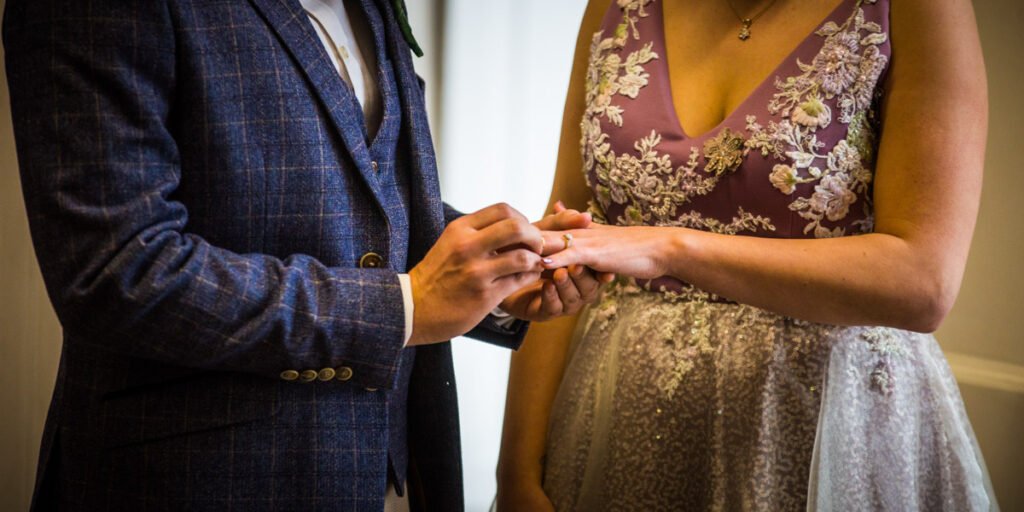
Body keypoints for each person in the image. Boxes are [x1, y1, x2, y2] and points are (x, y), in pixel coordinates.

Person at [3, 0, 604, 510]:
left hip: (388, 473)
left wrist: (501, 271)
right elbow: (121, 270)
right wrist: (405, 305)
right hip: (197, 478)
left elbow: (365, 198)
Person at [497, 0, 998, 510]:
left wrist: (670, 248)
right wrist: (515, 469)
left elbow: (923, 285)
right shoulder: (616, 6)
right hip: (616, 416)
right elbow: (565, 243)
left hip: (821, 425)